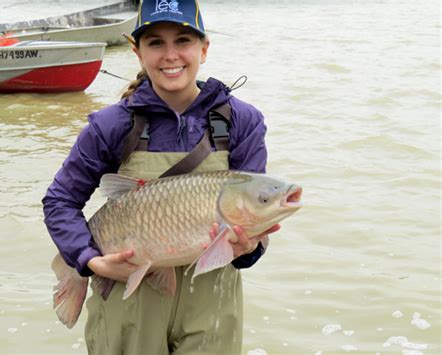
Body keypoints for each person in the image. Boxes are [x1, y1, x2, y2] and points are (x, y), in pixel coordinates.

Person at [42, 0, 280, 353]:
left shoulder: (241, 121)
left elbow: (251, 208)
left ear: (204, 48)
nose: (171, 55)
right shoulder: (112, 125)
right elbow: (60, 201)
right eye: (156, 43)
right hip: (130, 294)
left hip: (211, 300)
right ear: (137, 51)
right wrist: (90, 261)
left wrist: (248, 249)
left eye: (183, 40)